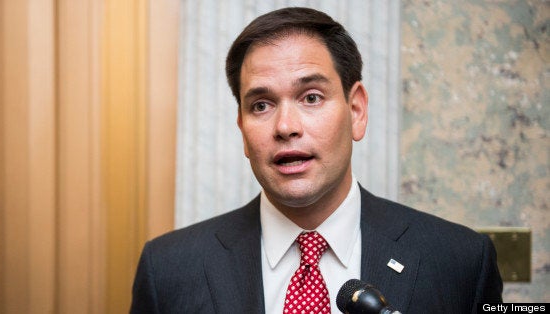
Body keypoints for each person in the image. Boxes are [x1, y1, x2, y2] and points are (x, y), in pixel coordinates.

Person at [130, 7, 502, 314]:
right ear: (242, 128)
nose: (286, 127)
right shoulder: (168, 269)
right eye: (261, 105)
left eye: (310, 97)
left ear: (356, 110)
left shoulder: (460, 261)